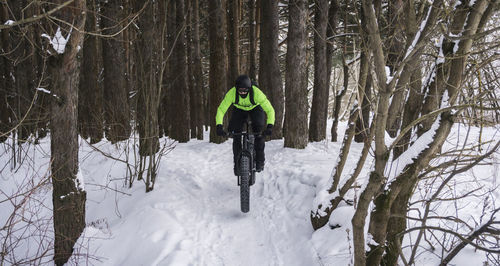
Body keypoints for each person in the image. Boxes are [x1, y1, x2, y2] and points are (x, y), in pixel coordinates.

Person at [215, 75, 275, 175]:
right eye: (240, 91)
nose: (242, 93)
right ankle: (237, 164)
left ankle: (260, 161)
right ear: (236, 88)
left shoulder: (257, 93)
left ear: (249, 88)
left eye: (245, 91)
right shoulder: (232, 93)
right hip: (239, 110)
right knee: (236, 135)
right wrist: (219, 126)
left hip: (255, 108)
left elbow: (270, 110)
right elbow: (221, 109)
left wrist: (269, 126)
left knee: (259, 133)